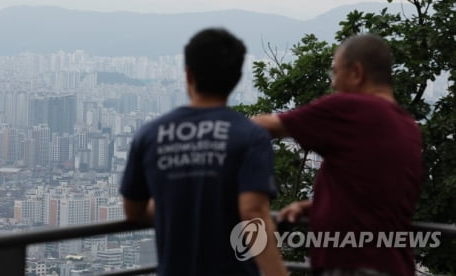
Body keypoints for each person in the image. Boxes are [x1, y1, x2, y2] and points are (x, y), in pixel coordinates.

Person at [120, 28, 287, 276]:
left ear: (189, 74)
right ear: (236, 77)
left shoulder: (150, 135)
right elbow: (253, 211)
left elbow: (133, 211)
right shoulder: (250, 136)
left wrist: (176, 199)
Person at [253, 33, 423, 276]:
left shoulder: (351, 109)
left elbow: (262, 127)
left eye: (335, 72)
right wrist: (317, 206)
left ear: (356, 72)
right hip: (393, 264)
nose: (333, 83)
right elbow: (379, 196)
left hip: (353, 264)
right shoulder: (408, 125)